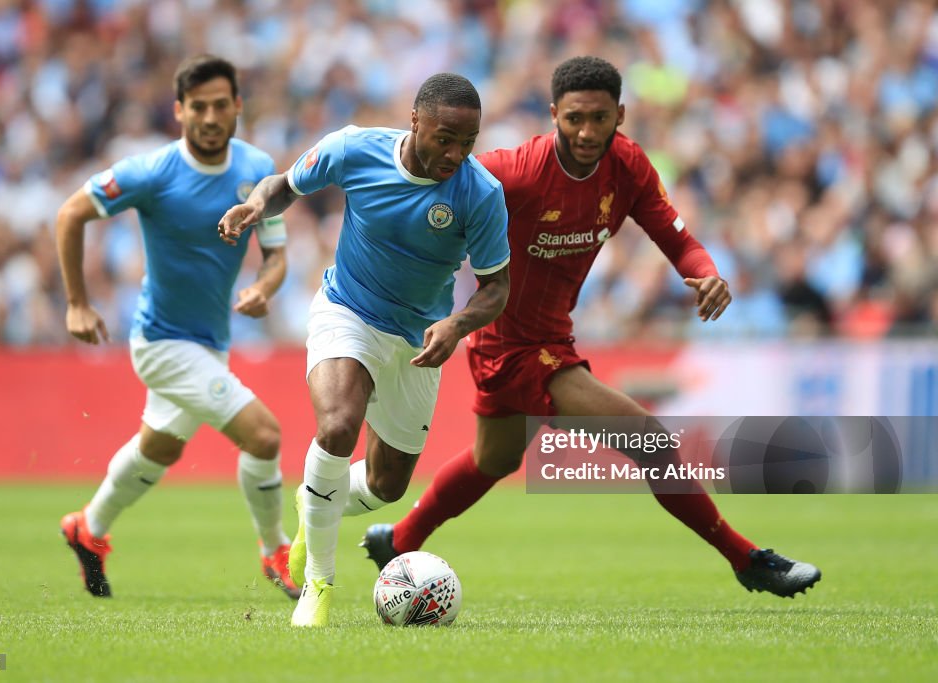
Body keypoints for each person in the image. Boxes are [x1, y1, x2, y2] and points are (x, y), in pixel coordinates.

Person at [361, 56, 822, 598]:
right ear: (554, 113)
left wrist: (706, 274)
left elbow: (678, 240)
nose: (586, 131)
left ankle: (401, 538)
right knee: (649, 439)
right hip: (510, 342)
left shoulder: (627, 168)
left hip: (551, 334)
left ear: (620, 114)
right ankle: (746, 558)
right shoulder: (516, 171)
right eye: (574, 118)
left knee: (496, 458)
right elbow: (437, 189)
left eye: (599, 118)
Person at [218, 73, 511, 626]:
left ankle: (314, 510)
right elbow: (284, 184)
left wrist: (456, 324)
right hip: (347, 309)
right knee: (337, 426)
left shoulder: (481, 194)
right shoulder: (354, 148)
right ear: (415, 121)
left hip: (420, 338)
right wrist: (258, 205)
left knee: (386, 486)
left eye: (467, 142)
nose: (454, 154)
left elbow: (497, 286)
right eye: (444, 138)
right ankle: (318, 585)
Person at [56, 54, 299, 600]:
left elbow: (276, 253)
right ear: (179, 111)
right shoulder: (152, 172)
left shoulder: (258, 167)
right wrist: (77, 301)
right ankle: (275, 549)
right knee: (264, 435)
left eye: (220, 105)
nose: (210, 117)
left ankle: (87, 529)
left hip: (211, 344)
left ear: (237, 106)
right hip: (162, 342)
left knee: (159, 450)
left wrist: (265, 287)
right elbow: (71, 212)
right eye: (198, 108)